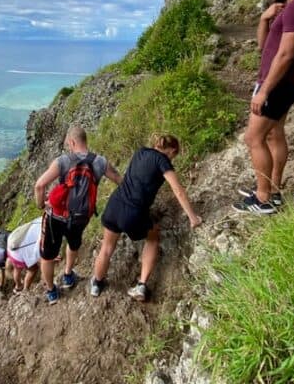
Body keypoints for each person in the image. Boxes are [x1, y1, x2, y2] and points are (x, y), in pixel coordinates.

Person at [233, 0, 294, 215]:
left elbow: (286, 55)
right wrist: (265, 18)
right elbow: (264, 47)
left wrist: (264, 91)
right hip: (285, 83)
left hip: (278, 84)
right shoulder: (293, 8)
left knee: (253, 137)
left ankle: (263, 198)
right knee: (273, 134)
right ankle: (273, 189)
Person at [90, 134, 202, 302]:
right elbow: (178, 190)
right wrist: (193, 218)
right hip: (133, 213)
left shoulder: (140, 152)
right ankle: (141, 285)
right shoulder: (163, 161)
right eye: (174, 154)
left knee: (106, 248)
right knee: (153, 236)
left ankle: (96, 284)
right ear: (171, 150)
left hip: (115, 204)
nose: (173, 158)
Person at [34, 125, 122, 305]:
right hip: (81, 217)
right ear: (85, 140)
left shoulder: (62, 162)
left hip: (55, 217)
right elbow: (120, 181)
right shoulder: (100, 162)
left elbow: (39, 185)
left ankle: (51, 292)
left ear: (72, 142)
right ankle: (67, 275)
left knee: (47, 255)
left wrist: (40, 204)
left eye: (68, 144)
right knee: (73, 245)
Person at [6, 216, 43, 294]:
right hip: (20, 252)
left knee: (17, 269)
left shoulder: (38, 220)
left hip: (12, 247)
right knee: (33, 270)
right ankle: (25, 290)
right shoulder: (43, 230)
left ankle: (18, 286)